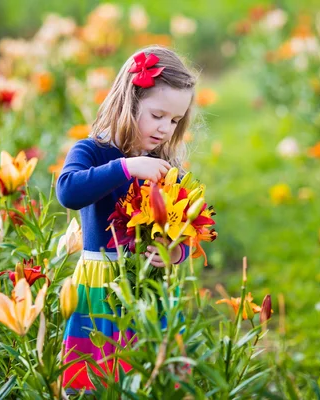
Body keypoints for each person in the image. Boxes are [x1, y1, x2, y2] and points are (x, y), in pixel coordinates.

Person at [56, 46, 197, 392]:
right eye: (158, 115)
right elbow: (68, 191)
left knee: (151, 374)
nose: (166, 129)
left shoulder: (166, 167)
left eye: (175, 121)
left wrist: (173, 252)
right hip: (103, 287)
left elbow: (185, 231)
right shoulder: (92, 152)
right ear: (129, 102)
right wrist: (126, 167)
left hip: (151, 289)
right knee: (102, 374)